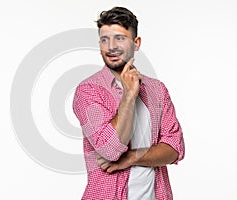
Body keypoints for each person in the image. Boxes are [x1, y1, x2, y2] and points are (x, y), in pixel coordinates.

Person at [72, 6, 185, 200]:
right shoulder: (89, 91)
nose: (110, 47)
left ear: (136, 43)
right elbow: (109, 149)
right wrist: (129, 96)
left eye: (120, 38)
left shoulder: (157, 90)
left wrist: (132, 157)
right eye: (104, 39)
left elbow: (175, 148)